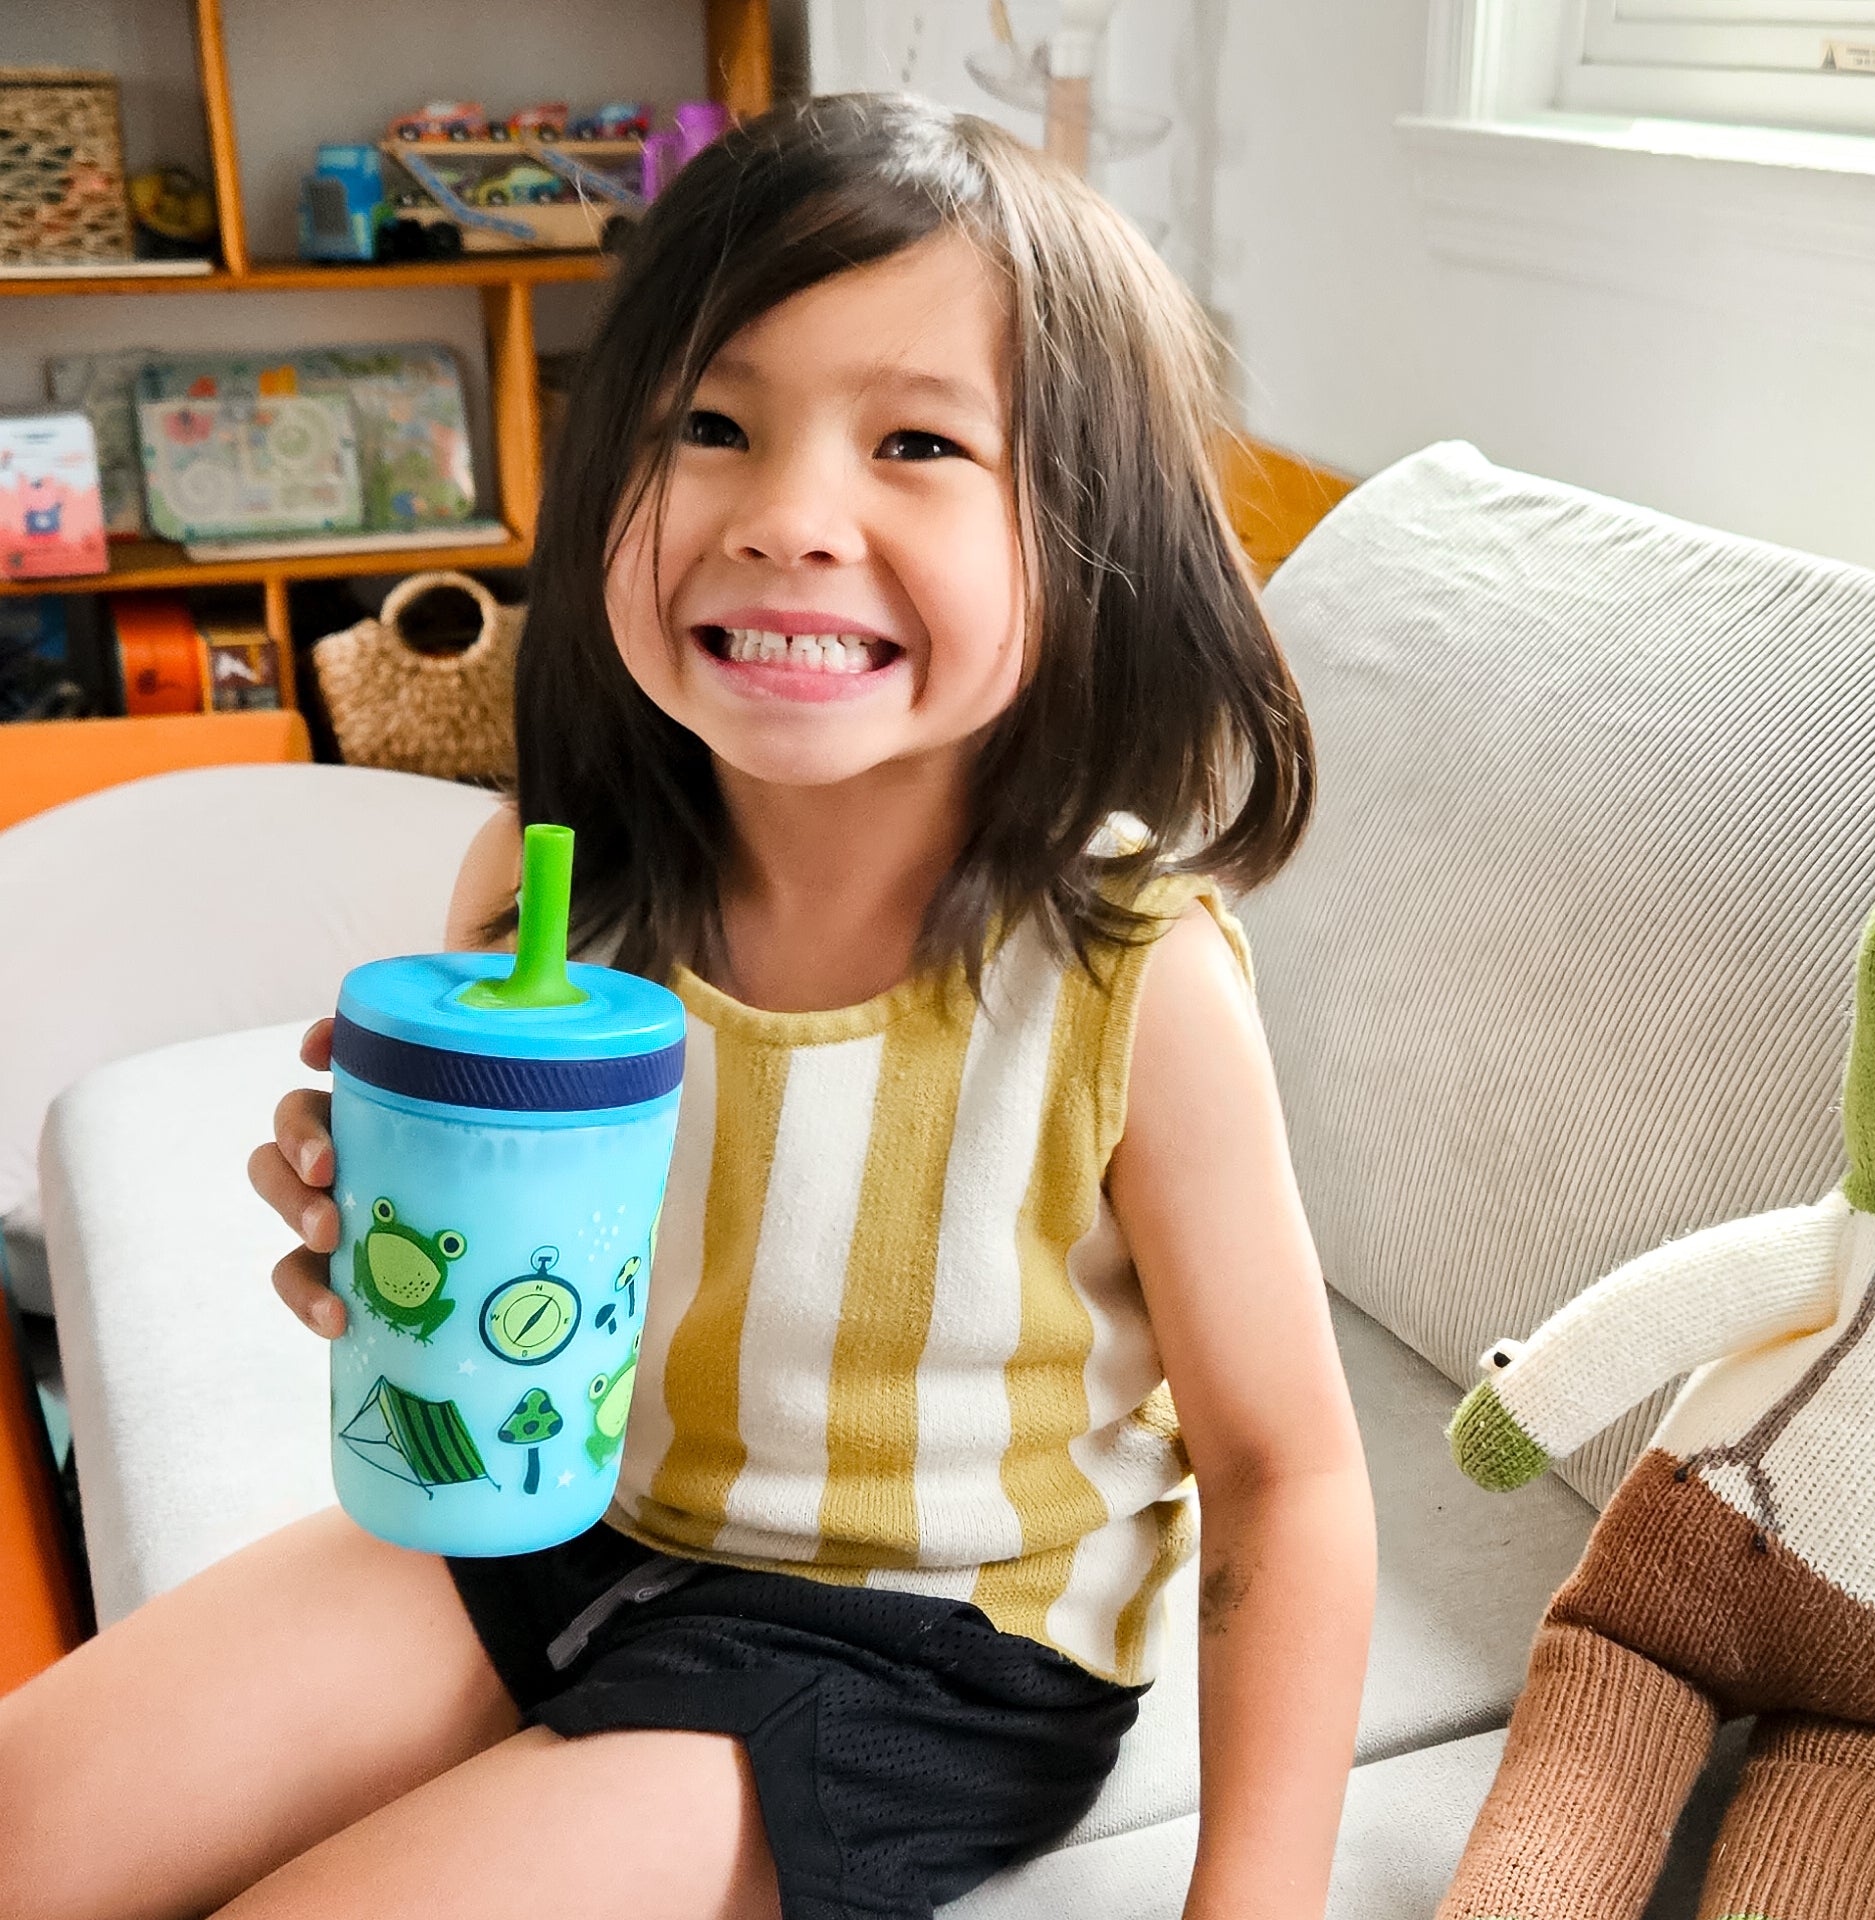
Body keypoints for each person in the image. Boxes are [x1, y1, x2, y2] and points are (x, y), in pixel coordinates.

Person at [0, 94, 1374, 1920]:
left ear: (1077, 532)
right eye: (712, 425)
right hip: (566, 1521)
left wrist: (1255, 1904)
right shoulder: (546, 877)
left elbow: (1286, 1478)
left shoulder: (1130, 975)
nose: (792, 516)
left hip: (925, 1651)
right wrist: (380, 1228)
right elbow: (533, 1288)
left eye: (917, 443)